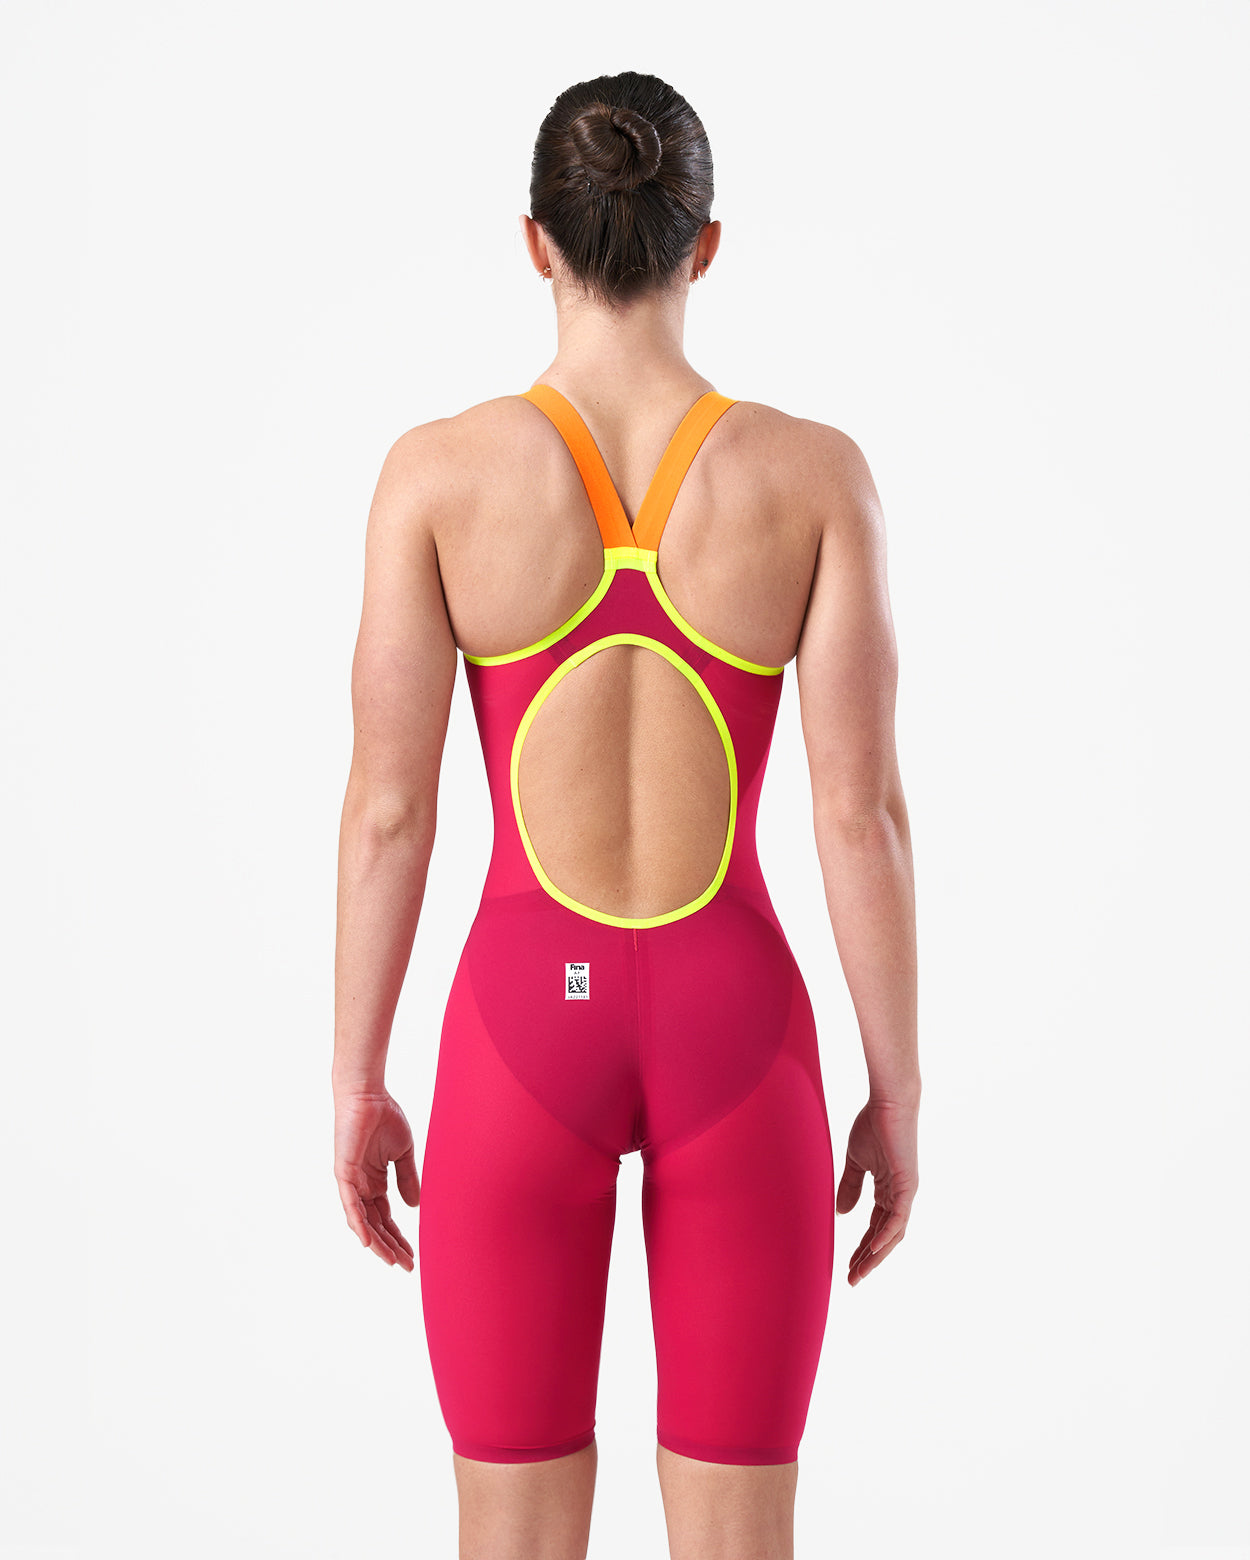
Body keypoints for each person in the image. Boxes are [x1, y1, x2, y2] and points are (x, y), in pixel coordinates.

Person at [332, 69, 919, 1560]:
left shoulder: (436, 477)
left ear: (534, 240)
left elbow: (390, 809)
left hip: (523, 1025)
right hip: (740, 1029)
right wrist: (895, 1087)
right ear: (703, 244)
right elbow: (859, 817)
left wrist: (356, 1078)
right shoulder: (814, 478)